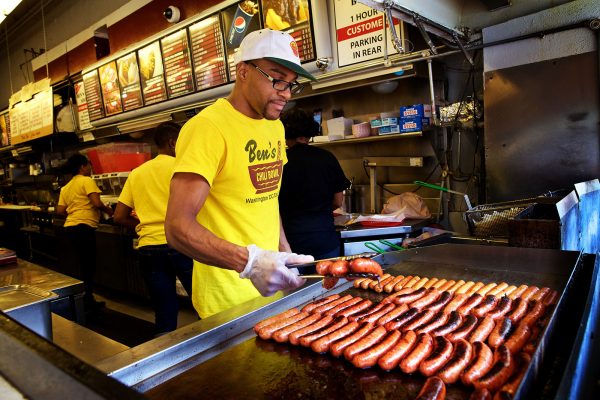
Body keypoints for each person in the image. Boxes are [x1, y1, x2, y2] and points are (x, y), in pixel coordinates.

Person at [165, 29, 317, 319]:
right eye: (276, 79)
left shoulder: (275, 127)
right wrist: (252, 263)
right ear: (243, 71)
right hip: (226, 297)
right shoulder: (208, 128)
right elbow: (177, 227)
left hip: (272, 289)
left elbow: (267, 200)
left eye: (291, 84)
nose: (285, 93)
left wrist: (285, 256)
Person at [113, 122, 193, 336]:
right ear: (173, 142)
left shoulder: (137, 173)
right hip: (181, 244)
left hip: (149, 248)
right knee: (203, 302)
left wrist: (142, 227)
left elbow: (119, 216)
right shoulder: (183, 167)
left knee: (164, 310)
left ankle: (165, 359)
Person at [279, 108, 351, 260]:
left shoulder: (279, 161)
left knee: (296, 284)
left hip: (290, 243)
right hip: (324, 240)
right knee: (328, 283)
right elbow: (338, 201)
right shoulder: (327, 158)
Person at [57, 153, 113, 313]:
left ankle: (79, 301)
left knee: (78, 266)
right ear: (82, 166)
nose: (90, 167)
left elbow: (60, 210)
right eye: (89, 165)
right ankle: (88, 302)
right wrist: (110, 211)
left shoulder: (67, 187)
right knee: (88, 266)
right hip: (84, 227)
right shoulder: (86, 181)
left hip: (70, 228)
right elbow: (96, 203)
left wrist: (75, 212)